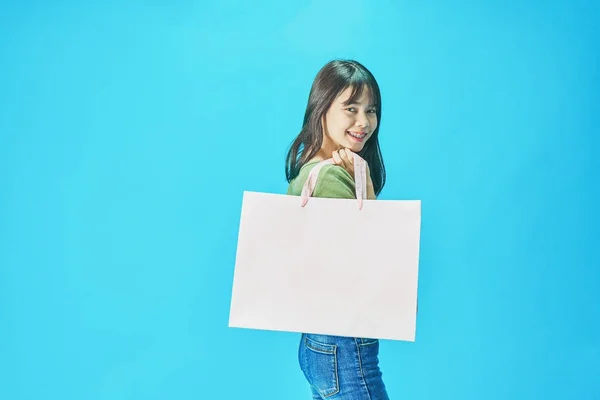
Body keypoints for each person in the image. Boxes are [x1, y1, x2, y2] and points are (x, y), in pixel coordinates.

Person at [285, 59, 389, 399]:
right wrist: (369, 194)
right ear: (322, 109)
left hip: (319, 340)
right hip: (344, 344)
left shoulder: (308, 165)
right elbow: (360, 261)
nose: (364, 122)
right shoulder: (329, 176)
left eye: (371, 110)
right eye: (351, 108)